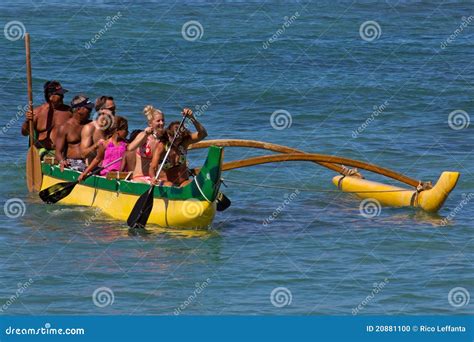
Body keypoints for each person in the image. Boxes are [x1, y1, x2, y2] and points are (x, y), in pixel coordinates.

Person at [77, 117, 152, 181]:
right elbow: (97, 159)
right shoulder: (104, 144)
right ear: (117, 131)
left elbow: (135, 144)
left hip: (121, 176)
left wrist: (145, 134)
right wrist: (85, 173)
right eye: (125, 130)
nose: (127, 132)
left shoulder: (126, 145)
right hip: (107, 175)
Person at [149, 108, 207, 187]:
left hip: (183, 182)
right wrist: (153, 178)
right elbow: (153, 167)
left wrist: (192, 118)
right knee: (170, 185)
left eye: (179, 138)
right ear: (168, 134)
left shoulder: (184, 142)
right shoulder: (162, 146)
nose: (176, 141)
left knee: (193, 185)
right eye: (173, 137)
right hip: (166, 183)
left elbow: (203, 134)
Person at [21, 80, 71, 154]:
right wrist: (27, 121)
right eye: (59, 94)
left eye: (62, 94)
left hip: (62, 152)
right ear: (50, 96)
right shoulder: (37, 113)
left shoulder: (69, 112)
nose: (62, 96)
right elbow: (24, 133)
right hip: (42, 151)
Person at [55, 95, 94, 172]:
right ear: (79, 109)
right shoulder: (65, 127)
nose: (90, 111)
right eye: (88, 108)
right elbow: (58, 152)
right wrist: (62, 161)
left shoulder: (91, 124)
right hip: (74, 163)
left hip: (90, 162)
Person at [132, 105, 166, 183]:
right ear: (150, 123)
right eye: (158, 121)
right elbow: (130, 148)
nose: (162, 123)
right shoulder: (144, 136)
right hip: (140, 177)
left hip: (155, 178)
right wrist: (144, 134)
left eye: (163, 120)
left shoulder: (164, 139)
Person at [80, 96, 116, 163]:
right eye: (111, 109)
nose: (114, 111)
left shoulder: (113, 127)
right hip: (95, 168)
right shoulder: (90, 128)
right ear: (101, 110)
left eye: (114, 109)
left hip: (109, 165)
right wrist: (96, 145)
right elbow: (83, 154)